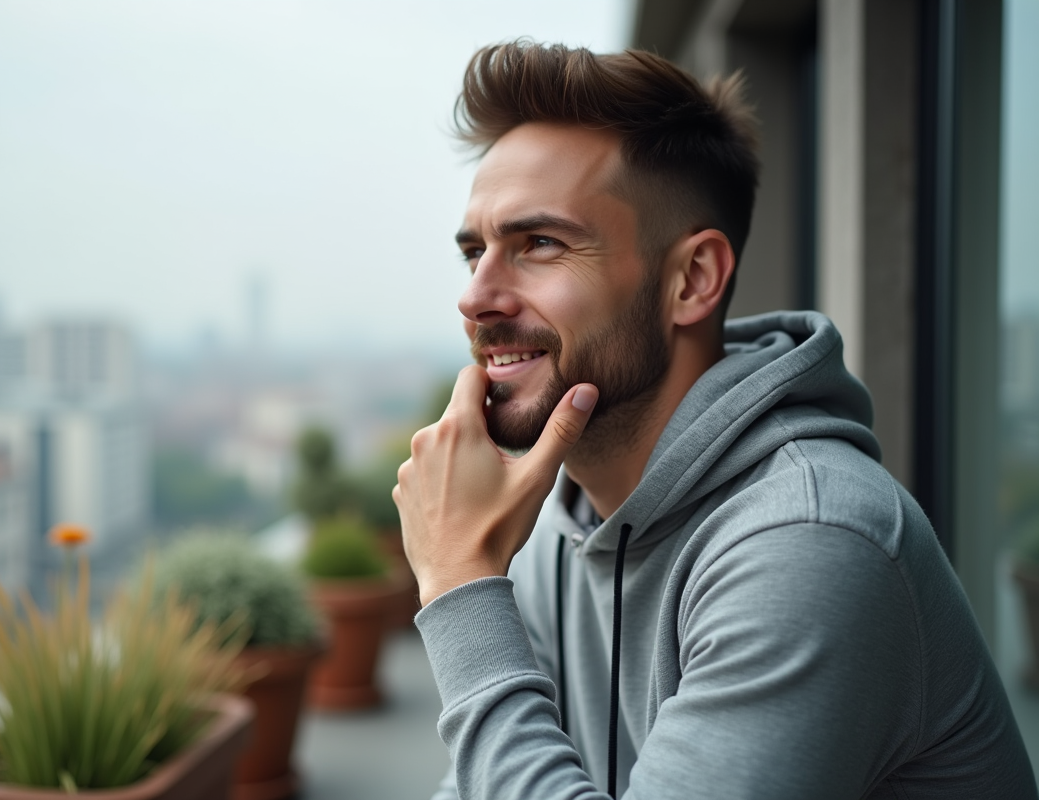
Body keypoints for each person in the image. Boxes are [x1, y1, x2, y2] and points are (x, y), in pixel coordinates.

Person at [392, 41, 1036, 799]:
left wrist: (461, 586)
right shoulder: (552, 526)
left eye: (539, 244)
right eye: (476, 252)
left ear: (692, 280)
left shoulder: (811, 541)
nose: (477, 296)